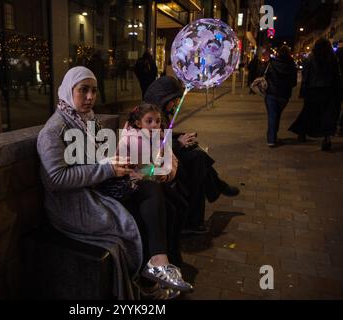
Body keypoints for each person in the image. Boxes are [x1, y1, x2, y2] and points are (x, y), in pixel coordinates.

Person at [37, 66, 192, 300]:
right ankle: (152, 273)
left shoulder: (87, 121)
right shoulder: (53, 131)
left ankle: (157, 269)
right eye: (83, 90)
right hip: (74, 203)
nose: (90, 97)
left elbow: (100, 157)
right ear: (69, 91)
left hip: (99, 187)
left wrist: (118, 164)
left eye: (94, 91)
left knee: (161, 198)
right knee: (146, 202)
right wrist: (108, 168)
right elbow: (57, 179)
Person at [144, 76, 240, 234]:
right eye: (173, 100)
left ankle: (210, 197)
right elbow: (152, 145)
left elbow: (163, 137)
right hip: (158, 162)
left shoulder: (160, 111)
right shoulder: (150, 114)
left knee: (197, 153)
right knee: (198, 159)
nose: (175, 104)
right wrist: (179, 143)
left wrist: (180, 137)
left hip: (168, 155)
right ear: (164, 98)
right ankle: (215, 188)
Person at [116, 103, 187, 266]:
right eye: (149, 121)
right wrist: (144, 169)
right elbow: (124, 168)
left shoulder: (161, 138)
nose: (154, 125)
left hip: (156, 183)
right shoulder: (129, 139)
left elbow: (172, 163)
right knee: (170, 210)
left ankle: (174, 251)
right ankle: (166, 258)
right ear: (139, 123)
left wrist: (163, 172)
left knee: (181, 205)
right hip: (138, 186)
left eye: (157, 121)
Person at [289, 38, 342, 151]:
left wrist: (303, 90)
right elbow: (336, 76)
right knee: (327, 114)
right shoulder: (332, 58)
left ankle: (302, 133)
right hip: (328, 90)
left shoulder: (311, 58)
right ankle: (326, 137)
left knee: (308, 112)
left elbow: (306, 76)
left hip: (313, 90)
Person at [264, 45, 297, 147]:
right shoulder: (291, 65)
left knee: (272, 115)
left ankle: (271, 139)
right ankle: (273, 136)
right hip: (284, 95)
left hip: (271, 93)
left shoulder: (272, 63)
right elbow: (294, 82)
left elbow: (264, 74)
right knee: (277, 114)